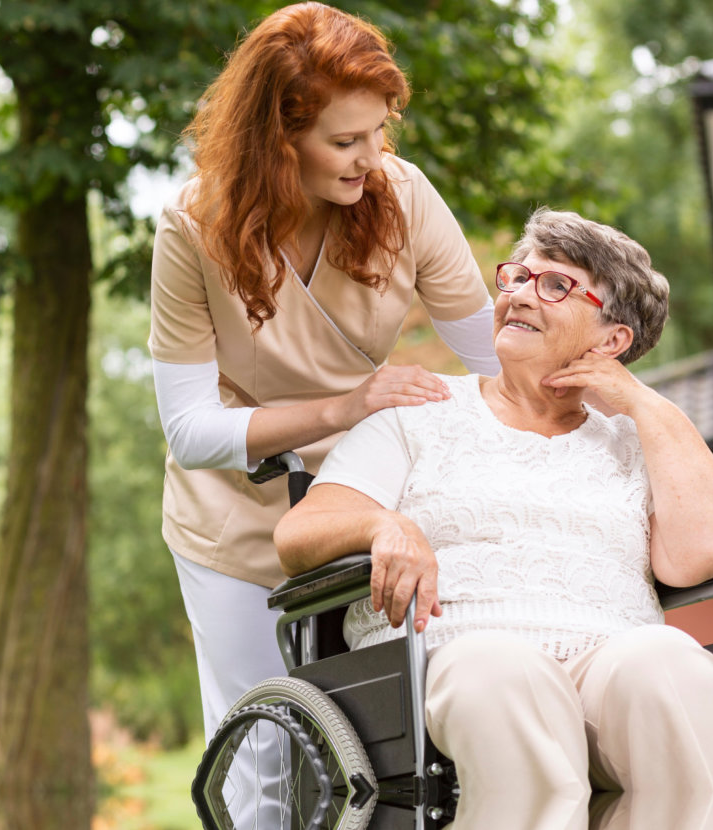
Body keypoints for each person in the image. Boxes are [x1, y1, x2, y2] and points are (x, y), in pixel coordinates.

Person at [274, 207, 713, 830]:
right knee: (508, 673)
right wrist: (382, 526)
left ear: (612, 340)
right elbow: (296, 536)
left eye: (553, 285)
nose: (518, 296)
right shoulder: (422, 410)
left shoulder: (638, 443)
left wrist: (644, 405)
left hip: (605, 661)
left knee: (672, 661)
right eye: (515, 278)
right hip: (452, 656)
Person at [148, 0, 501, 757]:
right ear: (277, 139)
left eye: (379, 131)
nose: (370, 156)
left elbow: (496, 356)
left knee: (381, 747)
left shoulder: (402, 199)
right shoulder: (190, 229)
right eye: (344, 140)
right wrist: (346, 404)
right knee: (265, 756)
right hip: (233, 516)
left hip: (363, 498)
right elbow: (189, 428)